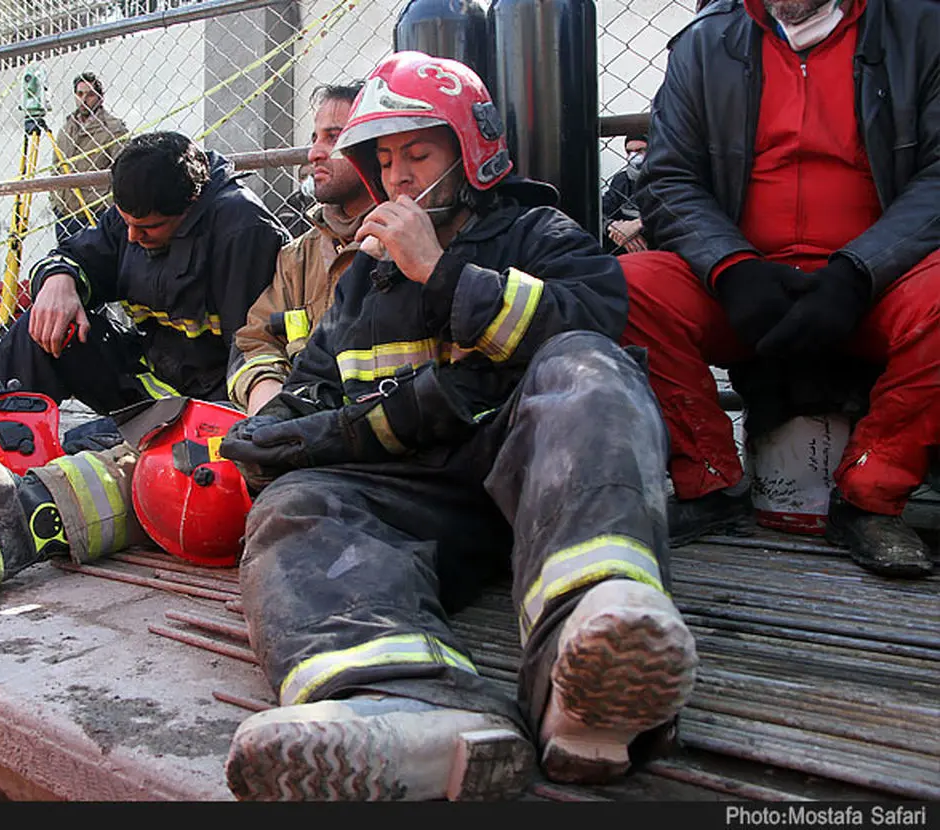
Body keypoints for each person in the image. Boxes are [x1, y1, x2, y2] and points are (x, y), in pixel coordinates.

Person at [215, 52, 698, 801]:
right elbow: (313, 384)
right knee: (295, 504)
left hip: (541, 490)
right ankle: (408, 707)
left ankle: (588, 657)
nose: (400, 176)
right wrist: (270, 432)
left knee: (587, 368)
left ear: (471, 151)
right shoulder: (362, 283)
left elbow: (591, 323)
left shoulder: (538, 231)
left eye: (419, 152)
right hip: (425, 503)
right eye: (385, 159)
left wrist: (439, 272)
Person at [620, 0, 939, 578]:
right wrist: (733, 267)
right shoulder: (704, 43)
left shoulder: (924, 27)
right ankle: (711, 481)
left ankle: (870, 497)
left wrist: (856, 274)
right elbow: (666, 178)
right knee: (627, 286)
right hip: (744, 288)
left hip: (878, 286)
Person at [0, 131, 289, 415]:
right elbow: (78, 254)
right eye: (127, 223)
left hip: (213, 405)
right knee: (43, 324)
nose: (133, 237)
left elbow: (252, 352)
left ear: (190, 206)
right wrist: (59, 281)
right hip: (147, 379)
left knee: (85, 447)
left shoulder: (243, 231)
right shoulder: (132, 215)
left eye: (149, 228)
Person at [228, 82, 375, 414]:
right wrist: (266, 400)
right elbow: (255, 338)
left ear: (377, 147)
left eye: (334, 138)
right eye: (315, 138)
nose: (314, 154)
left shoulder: (400, 245)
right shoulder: (298, 256)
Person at [50, 71, 129, 244]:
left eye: (90, 94)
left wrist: (107, 208)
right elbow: (55, 167)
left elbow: (123, 172)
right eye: (79, 94)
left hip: (96, 213)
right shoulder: (66, 130)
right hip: (65, 214)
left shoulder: (113, 130)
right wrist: (56, 203)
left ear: (100, 98)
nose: (84, 99)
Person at [600, 133, 648, 255]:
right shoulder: (621, 180)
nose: (634, 156)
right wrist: (613, 227)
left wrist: (638, 224)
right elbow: (601, 211)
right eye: (629, 151)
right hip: (623, 245)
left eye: (640, 150)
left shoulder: (668, 179)